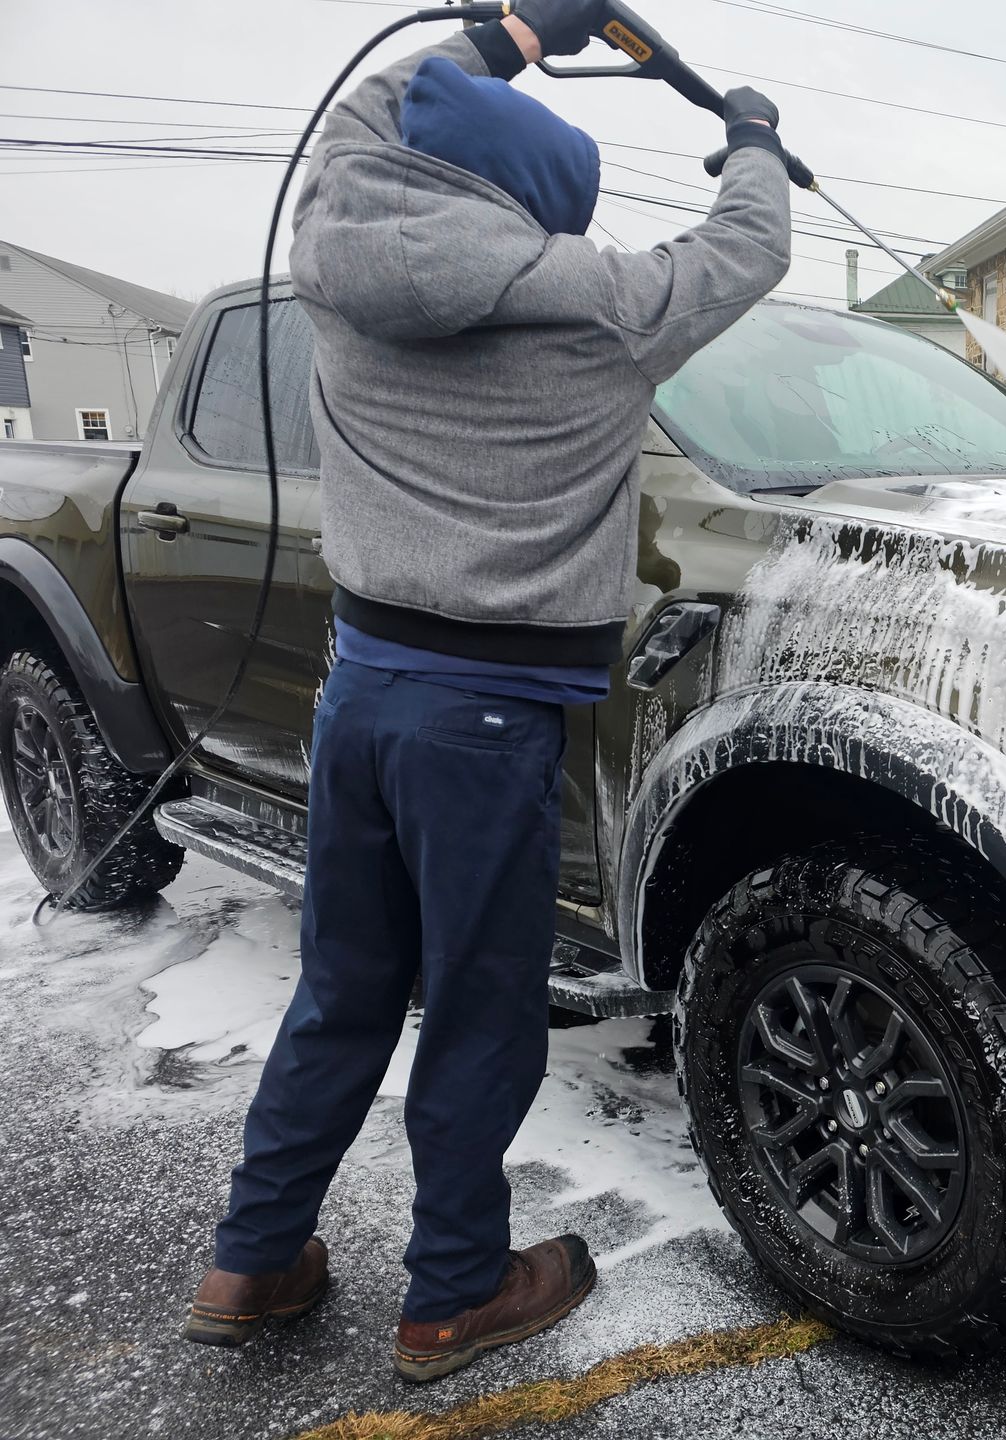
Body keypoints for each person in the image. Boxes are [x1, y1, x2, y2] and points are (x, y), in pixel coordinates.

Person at [179, 0, 791, 1382]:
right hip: (487, 725)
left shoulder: (333, 250)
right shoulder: (598, 305)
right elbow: (748, 246)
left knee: (341, 989)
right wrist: (750, 136)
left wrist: (505, 33)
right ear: (534, 207)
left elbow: (368, 113)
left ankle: (254, 1254)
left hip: (362, 701)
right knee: (476, 1007)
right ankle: (455, 1291)